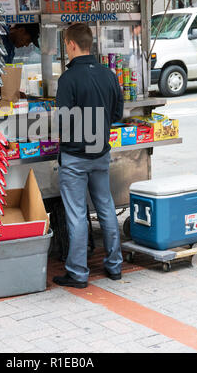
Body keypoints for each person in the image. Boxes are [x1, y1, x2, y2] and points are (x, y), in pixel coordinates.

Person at [53, 23, 124, 289]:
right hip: (101, 153)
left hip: (74, 157)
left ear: (71, 44)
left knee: (77, 213)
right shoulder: (108, 74)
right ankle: (115, 266)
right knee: (106, 208)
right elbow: (117, 115)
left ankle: (78, 273)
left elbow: (63, 122)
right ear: (89, 44)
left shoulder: (68, 79)